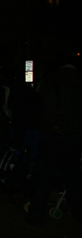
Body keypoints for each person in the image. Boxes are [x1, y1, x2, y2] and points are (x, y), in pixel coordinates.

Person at [26, 55, 82, 225]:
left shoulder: (54, 79)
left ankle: (37, 214)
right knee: (73, 174)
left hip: (56, 135)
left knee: (45, 175)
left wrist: (53, 125)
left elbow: (46, 105)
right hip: (74, 135)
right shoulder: (78, 80)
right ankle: (78, 211)